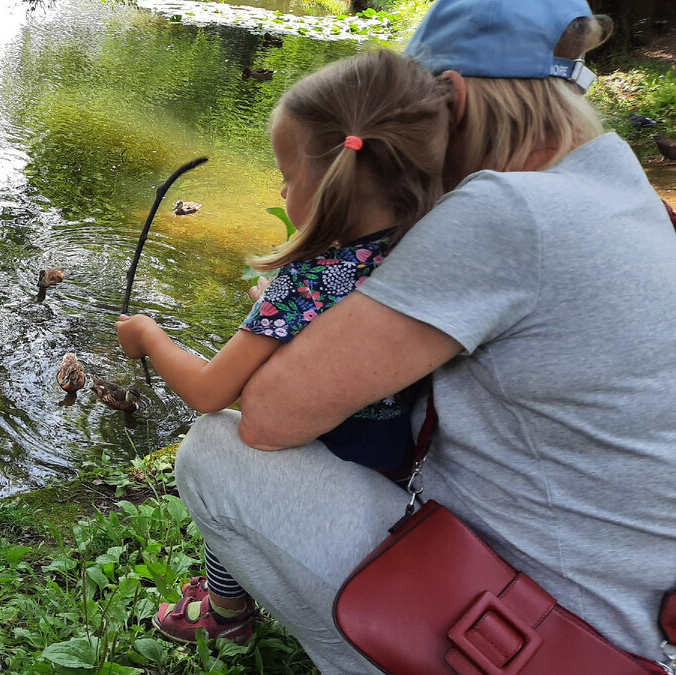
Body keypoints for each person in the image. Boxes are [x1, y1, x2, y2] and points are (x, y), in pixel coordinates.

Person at [164, 0, 676, 672]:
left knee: (217, 449)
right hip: (636, 612)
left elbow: (270, 417)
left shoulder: (505, 209)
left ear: (454, 101)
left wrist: (302, 313)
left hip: (535, 629)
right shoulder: (620, 183)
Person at [114, 49, 450, 644]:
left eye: (288, 179)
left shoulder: (308, 279)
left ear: (330, 186)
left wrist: (150, 337)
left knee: (223, 452)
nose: (282, 188)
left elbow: (209, 390)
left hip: (327, 465)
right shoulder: (420, 247)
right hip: (391, 465)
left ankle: (224, 610)